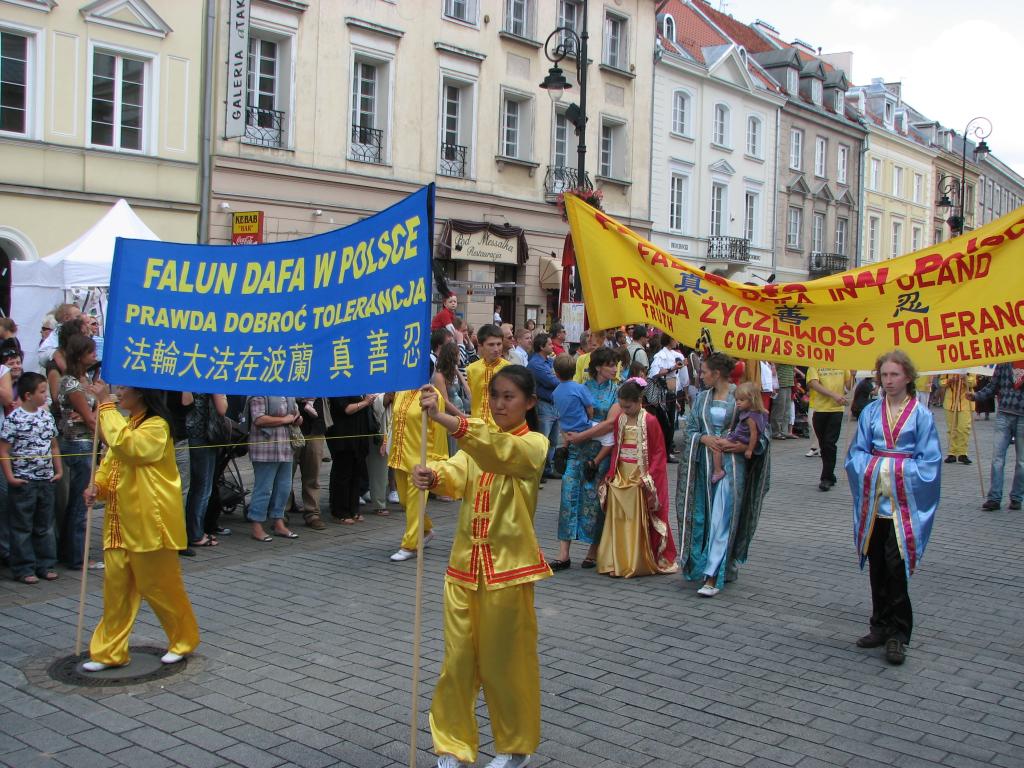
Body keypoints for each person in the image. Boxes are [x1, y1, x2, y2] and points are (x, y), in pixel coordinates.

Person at [410, 367, 550, 768]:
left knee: (506, 664)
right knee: (456, 663)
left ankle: (514, 747)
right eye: (496, 395)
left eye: (509, 397)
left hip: (507, 573)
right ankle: (452, 746)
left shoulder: (534, 445)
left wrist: (447, 420)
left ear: (530, 403)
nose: (501, 404)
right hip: (463, 569)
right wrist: (433, 474)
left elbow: (497, 452)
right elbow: (460, 472)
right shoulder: (477, 442)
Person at [80, 385, 200, 671]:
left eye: (124, 390)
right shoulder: (128, 424)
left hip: (150, 524)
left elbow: (127, 447)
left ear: (142, 395)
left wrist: (104, 405)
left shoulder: (157, 427)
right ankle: (109, 652)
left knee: (159, 587)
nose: (118, 393)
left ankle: (183, 640)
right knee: (116, 591)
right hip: (119, 524)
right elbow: (111, 463)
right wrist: (98, 486)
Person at [846, 350, 941, 665]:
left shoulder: (922, 415)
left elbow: (930, 463)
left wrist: (890, 469)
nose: (888, 381)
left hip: (904, 505)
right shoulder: (872, 412)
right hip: (875, 503)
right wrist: (877, 469)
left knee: (896, 567)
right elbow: (857, 453)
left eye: (894, 375)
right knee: (877, 564)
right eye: (884, 375)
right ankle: (879, 624)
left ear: (908, 377)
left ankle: (899, 634)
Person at [676, 352, 771, 597]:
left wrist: (742, 447)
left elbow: (760, 428)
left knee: (723, 518)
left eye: (705, 372)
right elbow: (692, 430)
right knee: (704, 517)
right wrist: (703, 438)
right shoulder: (702, 398)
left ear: (716, 373)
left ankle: (713, 575)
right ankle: (708, 564)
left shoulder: (740, 395)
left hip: (732, 466)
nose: (702, 375)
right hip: (703, 466)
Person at [596, 380, 678, 578]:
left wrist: (649, 476)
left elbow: (659, 452)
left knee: (639, 518)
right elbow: (617, 446)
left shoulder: (649, 420)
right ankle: (619, 559)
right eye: (622, 406)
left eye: (628, 406)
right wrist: (611, 473)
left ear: (639, 401)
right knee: (620, 518)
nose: (625, 410)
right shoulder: (621, 419)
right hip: (623, 473)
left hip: (640, 475)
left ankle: (638, 559)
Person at [553, 348, 620, 570]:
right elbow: (568, 414)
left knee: (594, 500)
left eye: (615, 364)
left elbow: (611, 424)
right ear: (598, 367)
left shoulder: (616, 392)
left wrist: (581, 435)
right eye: (610, 364)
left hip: (599, 454)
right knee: (567, 495)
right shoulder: (582, 387)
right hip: (576, 451)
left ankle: (593, 550)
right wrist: (567, 436)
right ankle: (564, 553)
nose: (614, 368)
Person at [0, 373, 62, 583]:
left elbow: (54, 445)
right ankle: (24, 568)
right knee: (21, 526)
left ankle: (45, 564)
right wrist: (10, 477)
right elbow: (5, 450)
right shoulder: (14, 419)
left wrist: (58, 470)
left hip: (46, 479)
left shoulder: (46, 417)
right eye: (42, 391)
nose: (46, 395)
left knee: (44, 525)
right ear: (28, 395)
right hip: (24, 480)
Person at [387, 386, 450, 561]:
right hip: (400, 455)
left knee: (415, 504)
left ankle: (410, 545)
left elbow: (438, 428)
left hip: (421, 458)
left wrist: (438, 458)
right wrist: (387, 440)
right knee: (405, 501)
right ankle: (426, 530)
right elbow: (394, 419)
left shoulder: (433, 395)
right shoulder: (401, 391)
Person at [57, 334, 102, 570]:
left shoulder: (84, 378)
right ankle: (76, 556)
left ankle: (70, 550)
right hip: (79, 443)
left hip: (82, 441)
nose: (95, 355)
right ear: (80, 355)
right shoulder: (72, 383)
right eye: (91, 352)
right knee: (80, 500)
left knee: (78, 498)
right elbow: (90, 420)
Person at [969, 361, 1024, 510]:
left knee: (1021, 462)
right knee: (997, 458)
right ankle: (994, 497)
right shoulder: (1005, 361)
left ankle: (1017, 497)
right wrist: (976, 396)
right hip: (1004, 414)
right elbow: (993, 386)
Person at [246, 396, 300, 541]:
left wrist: (297, 418)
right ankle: (256, 526)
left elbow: (295, 414)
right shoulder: (259, 389)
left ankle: (278, 522)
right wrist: (285, 419)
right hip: (265, 447)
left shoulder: (287, 391)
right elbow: (258, 419)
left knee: (284, 487)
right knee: (264, 488)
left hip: (286, 447)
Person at [184, 393, 228, 547]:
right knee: (203, 488)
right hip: (204, 435)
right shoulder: (210, 378)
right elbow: (222, 409)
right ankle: (196, 534)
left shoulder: (188, 375)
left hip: (189, 435)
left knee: (194, 487)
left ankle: (193, 531)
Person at [327, 395, 373, 524]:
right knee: (343, 474)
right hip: (343, 436)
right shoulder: (339, 386)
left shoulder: (359, 388)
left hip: (359, 435)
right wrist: (365, 402)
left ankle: (354, 509)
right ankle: (340, 511)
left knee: (356, 474)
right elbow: (346, 409)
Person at [710, 381, 767, 485]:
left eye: (742, 400)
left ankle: (718, 471)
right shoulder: (747, 413)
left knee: (716, 446)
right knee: (718, 442)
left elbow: (754, 434)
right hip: (737, 437)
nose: (738, 402)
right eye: (736, 400)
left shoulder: (750, 417)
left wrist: (749, 449)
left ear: (752, 400)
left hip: (739, 440)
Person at [807, 366, 851, 492]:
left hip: (836, 409)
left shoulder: (842, 363)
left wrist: (852, 375)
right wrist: (833, 395)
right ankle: (830, 475)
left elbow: (847, 387)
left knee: (829, 443)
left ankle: (826, 478)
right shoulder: (815, 363)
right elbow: (813, 384)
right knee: (823, 445)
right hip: (819, 409)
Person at [527, 333, 561, 478]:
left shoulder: (549, 361)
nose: (552, 346)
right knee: (542, 440)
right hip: (544, 405)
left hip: (554, 404)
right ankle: (538, 472)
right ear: (541, 347)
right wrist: (558, 377)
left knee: (553, 441)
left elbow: (560, 376)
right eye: (549, 344)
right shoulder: (536, 364)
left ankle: (547, 470)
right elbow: (554, 381)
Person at [465, 324, 508, 427]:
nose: (496, 349)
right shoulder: (471, 369)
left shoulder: (509, 370)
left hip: (500, 430)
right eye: (491, 344)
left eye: (499, 344)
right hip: (477, 428)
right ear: (480, 345)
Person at [940, 372, 976, 465]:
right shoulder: (949, 368)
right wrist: (949, 380)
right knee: (951, 429)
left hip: (965, 402)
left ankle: (962, 453)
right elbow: (941, 382)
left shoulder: (970, 368)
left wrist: (965, 379)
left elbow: (973, 383)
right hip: (950, 402)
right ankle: (951, 453)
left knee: (964, 428)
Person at [771, 364, 795, 439]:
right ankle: (776, 432)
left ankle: (784, 431)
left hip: (789, 383)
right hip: (780, 383)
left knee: (787, 409)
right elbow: (774, 364)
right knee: (779, 408)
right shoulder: (780, 355)